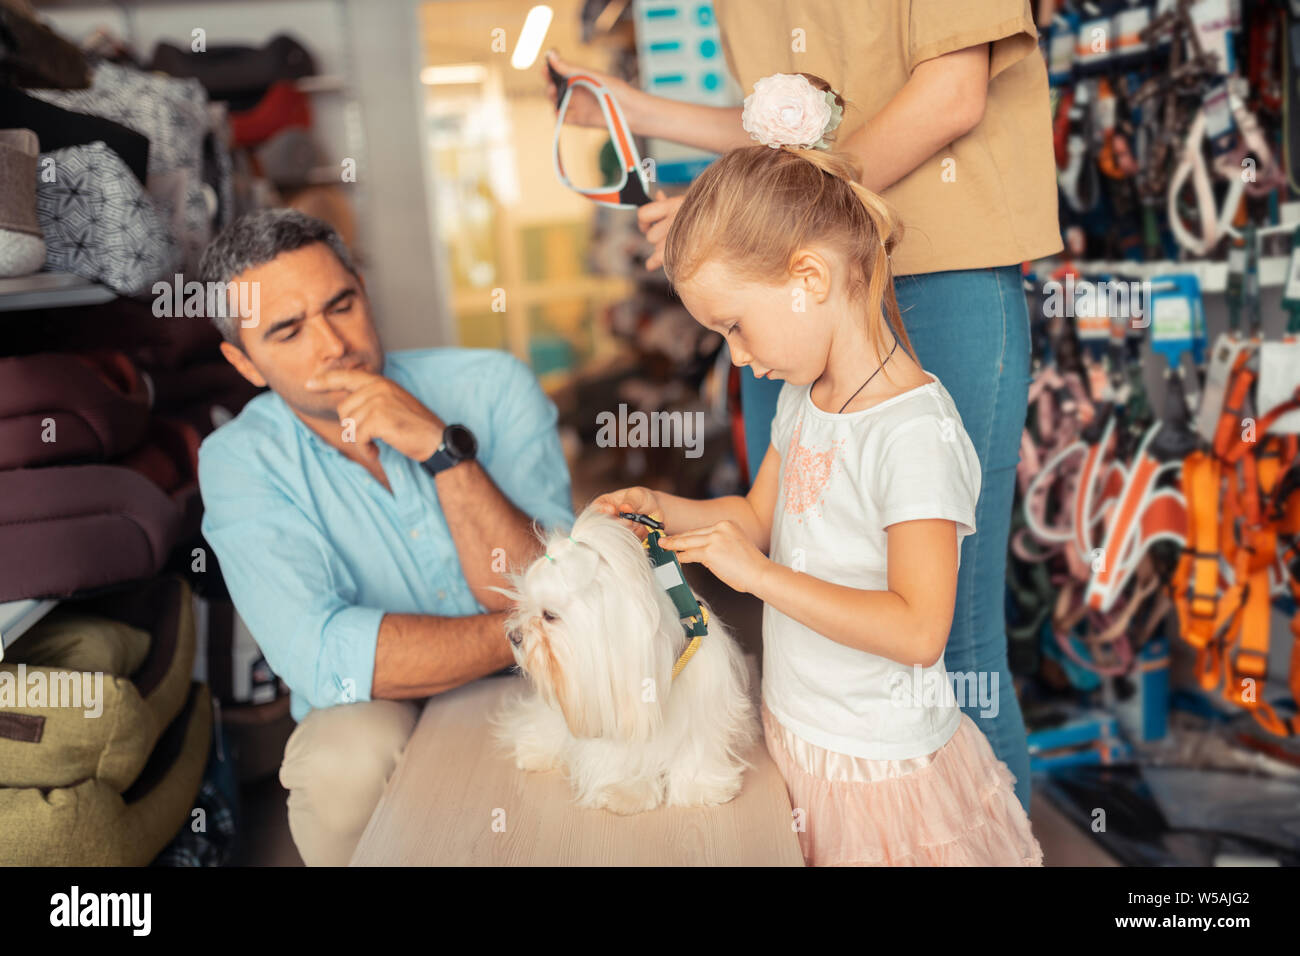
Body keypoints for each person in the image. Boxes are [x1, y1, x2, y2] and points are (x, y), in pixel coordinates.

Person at [547, 0, 1060, 813]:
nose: (736, 359)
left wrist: (753, 214)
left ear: (806, 276)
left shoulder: (909, 421)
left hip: (929, 260)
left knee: (959, 646)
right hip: (783, 264)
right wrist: (627, 108)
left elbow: (954, 93)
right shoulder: (788, 364)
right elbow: (792, 138)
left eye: (733, 331)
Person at [196, 209, 573, 865]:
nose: (333, 345)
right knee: (340, 766)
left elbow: (538, 579)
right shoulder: (238, 462)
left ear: (364, 293)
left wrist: (441, 450)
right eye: (287, 331)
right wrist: (535, 628)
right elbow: (322, 656)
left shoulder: (490, 384)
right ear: (245, 362)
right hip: (384, 700)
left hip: (544, 676)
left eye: (341, 305)